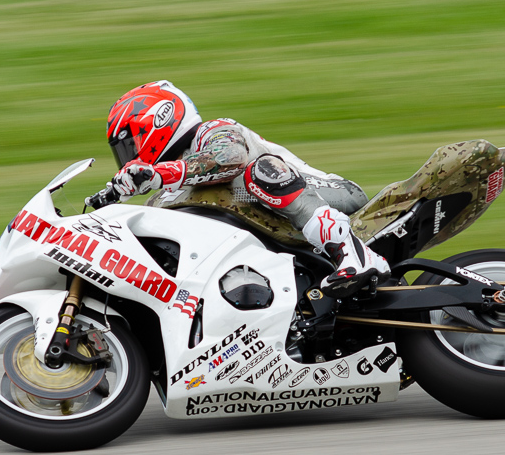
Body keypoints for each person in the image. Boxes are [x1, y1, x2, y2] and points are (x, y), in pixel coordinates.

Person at [106, 80, 390, 298]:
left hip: (333, 194)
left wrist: (157, 173)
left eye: (131, 144)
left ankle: (356, 255)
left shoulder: (212, 131)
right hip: (277, 234)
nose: (130, 158)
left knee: (259, 171)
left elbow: (230, 158)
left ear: (159, 122)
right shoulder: (162, 197)